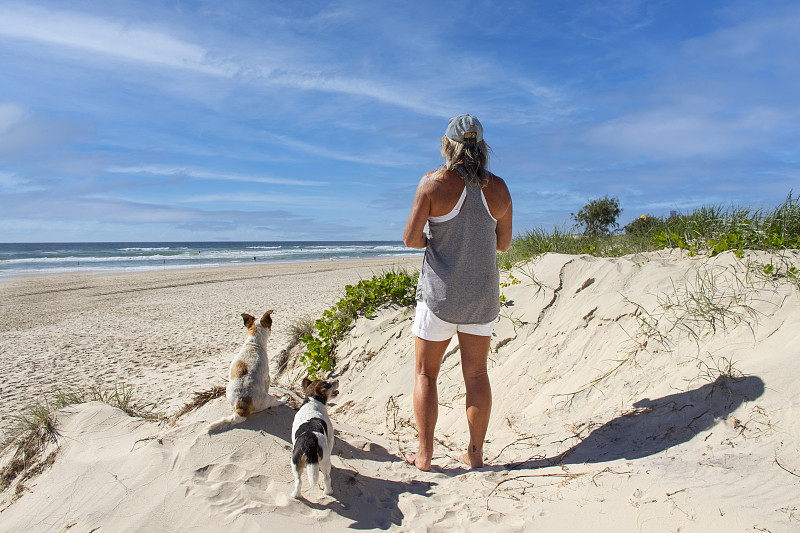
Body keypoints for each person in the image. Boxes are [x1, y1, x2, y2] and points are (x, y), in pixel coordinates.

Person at [402, 114, 513, 471]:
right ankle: (475, 455)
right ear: (481, 146)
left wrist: (435, 239)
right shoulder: (499, 189)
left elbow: (410, 239)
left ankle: (425, 455)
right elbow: (504, 245)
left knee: (425, 374)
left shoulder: (432, 184)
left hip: (440, 297)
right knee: (477, 375)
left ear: (448, 145)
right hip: (482, 297)